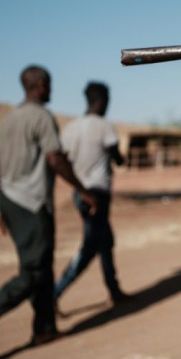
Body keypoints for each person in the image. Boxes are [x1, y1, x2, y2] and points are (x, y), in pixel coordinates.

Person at [0, 66, 95, 345]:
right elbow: (54, 159)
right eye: (50, 85)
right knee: (32, 273)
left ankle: (44, 328)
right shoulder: (41, 117)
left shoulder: (8, 120)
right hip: (31, 204)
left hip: (9, 200)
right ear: (40, 85)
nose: (51, 90)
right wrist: (82, 189)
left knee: (42, 267)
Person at [54, 82, 129, 307]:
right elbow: (117, 158)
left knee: (105, 242)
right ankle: (53, 295)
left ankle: (114, 291)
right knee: (90, 248)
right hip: (97, 194)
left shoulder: (71, 128)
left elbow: (62, 159)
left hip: (80, 193)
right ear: (103, 100)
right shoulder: (104, 126)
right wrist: (119, 158)